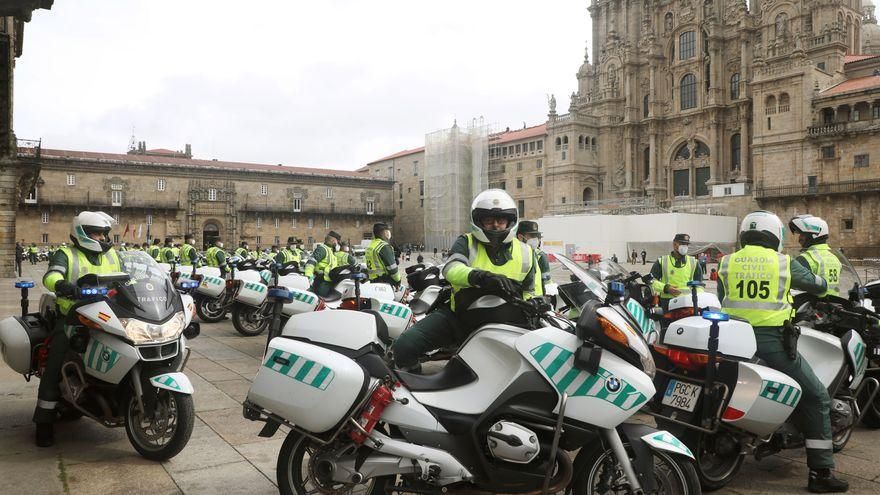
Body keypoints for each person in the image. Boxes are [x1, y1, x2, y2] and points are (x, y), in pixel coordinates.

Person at [718, 211, 848, 493]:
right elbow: (819, 286)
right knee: (816, 397)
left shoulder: (727, 262)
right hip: (771, 342)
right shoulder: (784, 263)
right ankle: (821, 473)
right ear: (774, 235)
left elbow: (722, 297)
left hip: (732, 341)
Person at [392, 189, 538, 372]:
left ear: (510, 221)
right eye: (488, 220)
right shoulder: (466, 242)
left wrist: (536, 302)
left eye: (501, 220)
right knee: (405, 346)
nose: (495, 225)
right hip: (459, 317)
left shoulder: (527, 252)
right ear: (478, 221)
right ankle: (412, 389)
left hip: (506, 324)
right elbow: (451, 269)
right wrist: (480, 276)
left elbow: (532, 290)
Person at [34, 211, 122, 447]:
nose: (102, 237)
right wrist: (62, 285)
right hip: (74, 317)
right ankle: (43, 421)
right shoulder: (66, 254)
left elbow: (128, 278)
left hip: (109, 316)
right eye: (97, 232)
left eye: (104, 233)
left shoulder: (112, 255)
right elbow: (51, 276)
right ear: (81, 233)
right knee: (56, 360)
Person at [789, 215, 842, 297]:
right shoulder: (834, 258)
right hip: (835, 305)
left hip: (813, 306)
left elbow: (794, 286)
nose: (799, 238)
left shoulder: (805, 258)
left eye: (802, 234)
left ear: (813, 235)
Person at [649, 233, 702, 310]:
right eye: (682, 244)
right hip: (667, 303)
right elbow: (651, 281)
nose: (685, 247)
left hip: (687, 304)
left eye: (686, 244)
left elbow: (700, 285)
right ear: (674, 244)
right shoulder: (662, 261)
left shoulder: (694, 262)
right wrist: (666, 288)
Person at [516, 221, 550, 296]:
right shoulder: (512, 254)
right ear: (520, 237)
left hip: (537, 301)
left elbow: (547, 282)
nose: (536, 239)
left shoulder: (540, 255)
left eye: (537, 236)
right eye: (532, 236)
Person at [304, 231, 341, 297]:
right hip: (322, 282)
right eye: (337, 242)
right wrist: (309, 277)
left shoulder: (330, 251)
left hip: (328, 281)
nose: (338, 244)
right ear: (333, 240)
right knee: (322, 303)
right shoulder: (322, 249)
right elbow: (310, 262)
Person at [365, 223, 401, 287]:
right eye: (387, 231)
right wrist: (398, 281)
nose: (389, 233)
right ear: (384, 233)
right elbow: (392, 268)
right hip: (384, 282)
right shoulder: (383, 247)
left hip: (372, 282)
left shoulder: (370, 246)